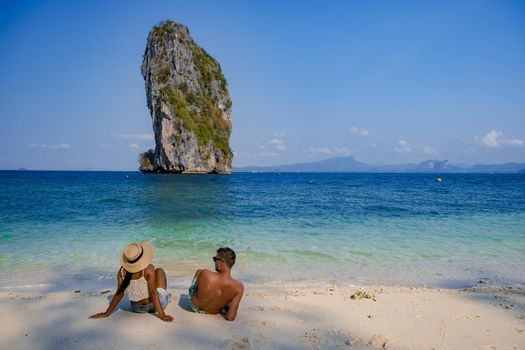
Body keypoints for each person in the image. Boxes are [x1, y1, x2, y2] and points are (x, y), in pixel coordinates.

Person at [89, 241, 173, 322]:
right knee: (159, 271)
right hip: (154, 306)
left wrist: (106, 313)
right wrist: (162, 315)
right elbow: (153, 293)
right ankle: (165, 296)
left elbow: (119, 293)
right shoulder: (148, 269)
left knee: (151, 281)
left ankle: (161, 297)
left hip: (136, 308)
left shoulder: (122, 271)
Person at [188, 247, 244, 321]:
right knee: (229, 299)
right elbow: (230, 317)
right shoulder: (239, 287)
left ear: (221, 261)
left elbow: (194, 290)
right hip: (212, 312)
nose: (214, 262)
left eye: (215, 259)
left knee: (199, 271)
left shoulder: (205, 273)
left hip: (194, 307)